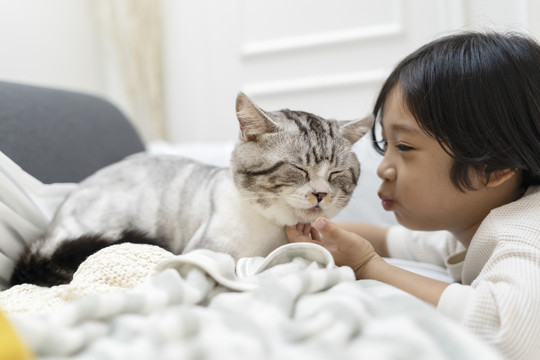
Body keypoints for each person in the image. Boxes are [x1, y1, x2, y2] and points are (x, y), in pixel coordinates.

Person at [286, 31, 540, 360]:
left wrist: (367, 267)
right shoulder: (472, 227)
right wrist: (307, 228)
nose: (383, 169)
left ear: (493, 167)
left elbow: (509, 333)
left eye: (404, 147)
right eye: (386, 145)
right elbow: (385, 238)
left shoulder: (524, 232)